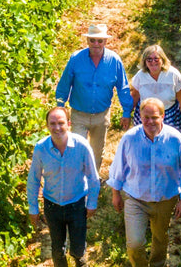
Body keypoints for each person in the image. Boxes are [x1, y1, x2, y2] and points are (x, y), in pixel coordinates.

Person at [107, 97, 181, 267]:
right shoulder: (130, 139)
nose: (149, 121)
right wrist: (115, 194)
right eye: (145, 117)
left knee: (160, 236)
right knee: (135, 243)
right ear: (141, 117)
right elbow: (119, 168)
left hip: (165, 198)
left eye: (154, 117)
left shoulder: (176, 139)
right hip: (136, 198)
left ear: (163, 116)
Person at [27, 107, 100, 267]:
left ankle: (79, 254)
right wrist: (33, 207)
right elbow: (33, 179)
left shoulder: (82, 146)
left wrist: (91, 203)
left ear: (69, 124)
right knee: (57, 248)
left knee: (76, 246)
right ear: (47, 126)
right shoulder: (41, 149)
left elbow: (93, 178)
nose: (57, 127)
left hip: (77, 204)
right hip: (53, 206)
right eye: (53, 123)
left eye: (61, 123)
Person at [55, 23, 132, 171]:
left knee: (97, 152)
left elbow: (123, 87)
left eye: (100, 40)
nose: (96, 44)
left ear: (106, 41)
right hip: (79, 114)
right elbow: (64, 84)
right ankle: (78, 182)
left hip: (101, 115)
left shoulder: (114, 61)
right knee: (77, 150)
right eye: (92, 40)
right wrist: (60, 107)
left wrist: (126, 112)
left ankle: (93, 180)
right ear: (87, 40)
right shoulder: (76, 59)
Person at [130, 44, 181, 138]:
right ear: (145, 62)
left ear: (162, 60)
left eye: (156, 59)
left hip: (170, 115)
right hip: (146, 116)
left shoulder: (173, 75)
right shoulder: (140, 76)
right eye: (149, 59)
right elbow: (134, 97)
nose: (153, 62)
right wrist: (126, 115)